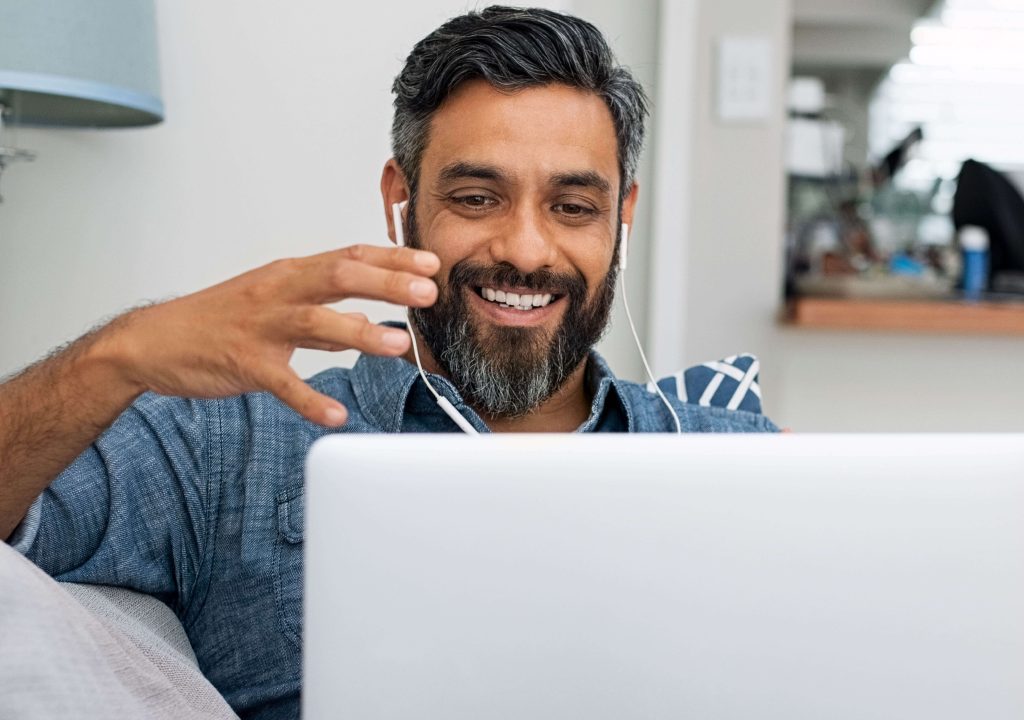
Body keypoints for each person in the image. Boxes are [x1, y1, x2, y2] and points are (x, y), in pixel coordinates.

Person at [0, 6, 778, 719]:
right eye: (477, 198)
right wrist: (117, 353)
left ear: (623, 216)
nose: (526, 250)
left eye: (573, 208)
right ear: (400, 197)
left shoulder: (743, 461)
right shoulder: (223, 444)